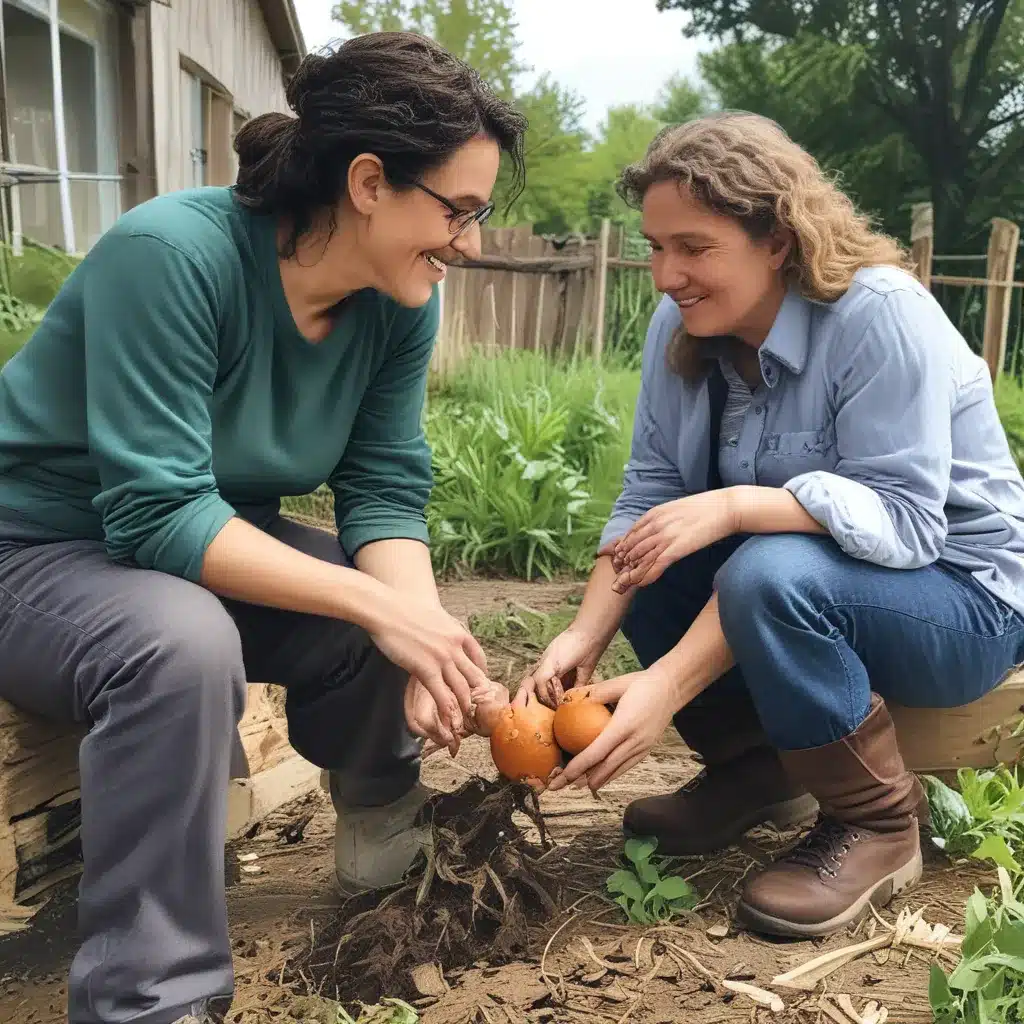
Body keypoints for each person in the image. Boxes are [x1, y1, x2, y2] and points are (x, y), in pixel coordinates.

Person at [0, 32, 525, 1024]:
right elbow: (155, 509)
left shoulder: (395, 301)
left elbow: (381, 487)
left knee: (389, 612)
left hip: (198, 538)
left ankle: (390, 866)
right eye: (456, 211)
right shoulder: (170, 256)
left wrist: (419, 635)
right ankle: (150, 999)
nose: (467, 241)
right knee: (178, 642)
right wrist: (378, 603)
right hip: (35, 548)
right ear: (369, 181)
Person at [517, 111, 1024, 939]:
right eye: (655, 246)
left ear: (777, 239)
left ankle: (876, 824)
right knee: (652, 549)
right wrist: (580, 635)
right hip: (811, 581)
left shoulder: (878, 314)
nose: (665, 275)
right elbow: (649, 490)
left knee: (760, 567)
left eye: (694, 247)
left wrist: (732, 510)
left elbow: (904, 523)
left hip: (963, 603)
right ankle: (756, 768)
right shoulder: (680, 330)